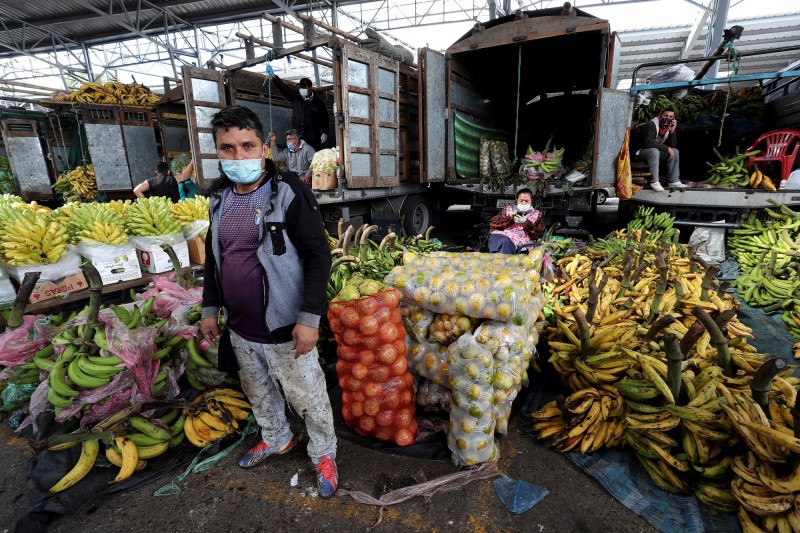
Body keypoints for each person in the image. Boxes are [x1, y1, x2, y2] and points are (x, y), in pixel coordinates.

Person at [199, 105, 337, 498]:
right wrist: (211, 307)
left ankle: (324, 452)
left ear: (264, 146)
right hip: (241, 327)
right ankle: (276, 437)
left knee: (307, 396)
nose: (238, 156)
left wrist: (309, 318)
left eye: (247, 146)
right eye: (228, 148)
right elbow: (214, 256)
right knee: (258, 391)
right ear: (217, 151)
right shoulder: (219, 199)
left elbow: (318, 256)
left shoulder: (289, 192)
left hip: (282, 328)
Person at [269, 73, 330, 151]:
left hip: (312, 138)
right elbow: (284, 88)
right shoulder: (295, 96)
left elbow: (325, 119)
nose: (302, 90)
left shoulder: (318, 103)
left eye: (304, 88)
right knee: (295, 156)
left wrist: (325, 132)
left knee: (311, 157)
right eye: (301, 87)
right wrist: (274, 77)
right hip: (296, 135)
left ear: (310, 88)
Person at [636, 108, 687, 192]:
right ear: (660, 116)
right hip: (640, 153)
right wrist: (666, 148)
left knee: (675, 151)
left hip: (654, 154)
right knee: (654, 151)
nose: (668, 118)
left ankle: (673, 181)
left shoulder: (667, 128)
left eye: (671, 117)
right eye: (666, 116)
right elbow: (648, 143)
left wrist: (672, 132)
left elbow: (672, 145)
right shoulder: (651, 124)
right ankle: (654, 181)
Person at [488, 188, 545, 254]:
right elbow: (493, 224)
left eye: (526, 201)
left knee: (506, 242)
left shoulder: (536, 214)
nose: (524, 203)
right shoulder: (507, 209)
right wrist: (509, 219)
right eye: (521, 200)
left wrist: (526, 223)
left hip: (522, 240)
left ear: (531, 201)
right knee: (501, 240)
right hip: (504, 236)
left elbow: (538, 234)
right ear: (516, 200)